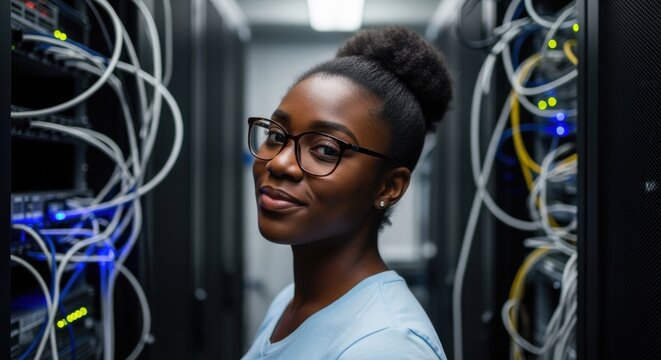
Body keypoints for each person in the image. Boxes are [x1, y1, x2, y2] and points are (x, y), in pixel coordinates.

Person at [242, 26, 453, 359]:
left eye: (326, 149)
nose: (280, 163)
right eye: (277, 135)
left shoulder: (386, 345)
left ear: (388, 186)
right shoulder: (289, 302)